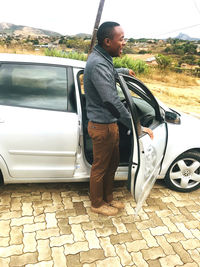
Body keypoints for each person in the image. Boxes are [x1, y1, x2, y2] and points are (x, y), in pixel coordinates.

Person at [84, 21, 153, 216]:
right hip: (102, 126)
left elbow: (110, 74)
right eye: (121, 39)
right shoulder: (97, 63)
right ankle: (97, 204)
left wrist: (122, 72)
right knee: (101, 167)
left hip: (109, 125)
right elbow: (112, 101)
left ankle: (108, 199)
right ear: (108, 41)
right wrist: (135, 125)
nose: (124, 43)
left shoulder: (103, 58)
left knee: (111, 165)